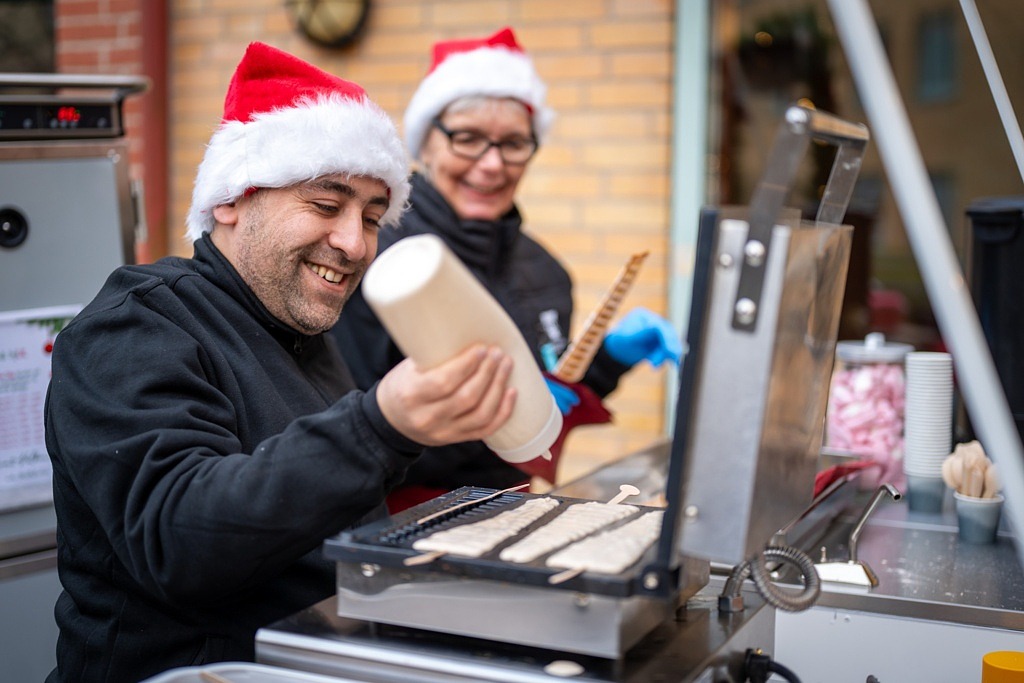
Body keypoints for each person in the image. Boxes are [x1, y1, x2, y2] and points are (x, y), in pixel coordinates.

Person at [43, 42, 518, 683]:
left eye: (372, 217)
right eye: (325, 206)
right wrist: (379, 425)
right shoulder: (135, 327)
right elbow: (177, 540)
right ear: (231, 198)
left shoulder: (303, 329)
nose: (353, 243)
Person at [331, 27, 681, 511]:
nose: (492, 164)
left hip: (512, 509)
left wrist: (605, 361)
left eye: (514, 143)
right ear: (425, 144)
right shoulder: (380, 258)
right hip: (401, 520)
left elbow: (551, 389)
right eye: (468, 138)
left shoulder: (547, 271)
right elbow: (352, 423)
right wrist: (506, 418)